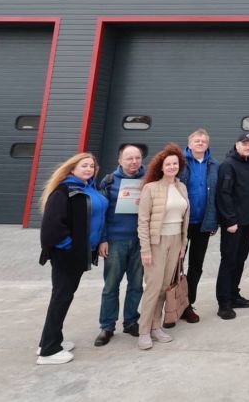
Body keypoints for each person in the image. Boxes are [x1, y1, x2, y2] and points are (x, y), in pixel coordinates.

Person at [37, 153, 108, 365]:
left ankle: (49, 340)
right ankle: (48, 351)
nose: (89, 169)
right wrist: (71, 247)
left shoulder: (88, 188)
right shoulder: (64, 191)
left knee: (63, 296)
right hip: (66, 256)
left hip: (78, 254)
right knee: (61, 297)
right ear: (72, 169)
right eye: (84, 165)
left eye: (92, 166)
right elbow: (51, 228)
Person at [136, 144, 190, 349]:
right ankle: (143, 331)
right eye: (168, 164)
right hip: (157, 243)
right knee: (153, 287)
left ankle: (156, 327)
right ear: (161, 166)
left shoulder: (181, 187)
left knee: (165, 287)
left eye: (175, 163)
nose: (172, 167)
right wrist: (146, 250)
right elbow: (143, 221)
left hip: (175, 240)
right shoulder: (150, 188)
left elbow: (184, 219)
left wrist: (182, 244)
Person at [94, 144, 145, 347]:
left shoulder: (149, 179)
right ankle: (107, 326)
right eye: (129, 158)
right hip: (115, 242)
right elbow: (100, 214)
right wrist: (103, 239)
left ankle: (131, 321)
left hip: (140, 241)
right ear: (120, 160)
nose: (134, 162)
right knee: (111, 286)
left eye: (137, 158)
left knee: (136, 285)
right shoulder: (108, 181)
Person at [176, 129, 220, 324]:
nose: (200, 143)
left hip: (203, 223)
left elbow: (217, 195)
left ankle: (188, 304)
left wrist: (214, 221)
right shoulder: (179, 163)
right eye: (197, 140)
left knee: (196, 266)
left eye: (203, 141)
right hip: (181, 224)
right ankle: (172, 304)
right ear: (189, 144)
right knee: (176, 266)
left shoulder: (214, 165)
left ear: (207, 144)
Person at [215, 133, 249, 320]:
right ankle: (224, 303)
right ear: (236, 144)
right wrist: (230, 220)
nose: (247, 147)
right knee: (229, 261)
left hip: (247, 222)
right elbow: (224, 194)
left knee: (240, 260)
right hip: (233, 224)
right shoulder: (228, 165)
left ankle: (234, 295)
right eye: (244, 143)